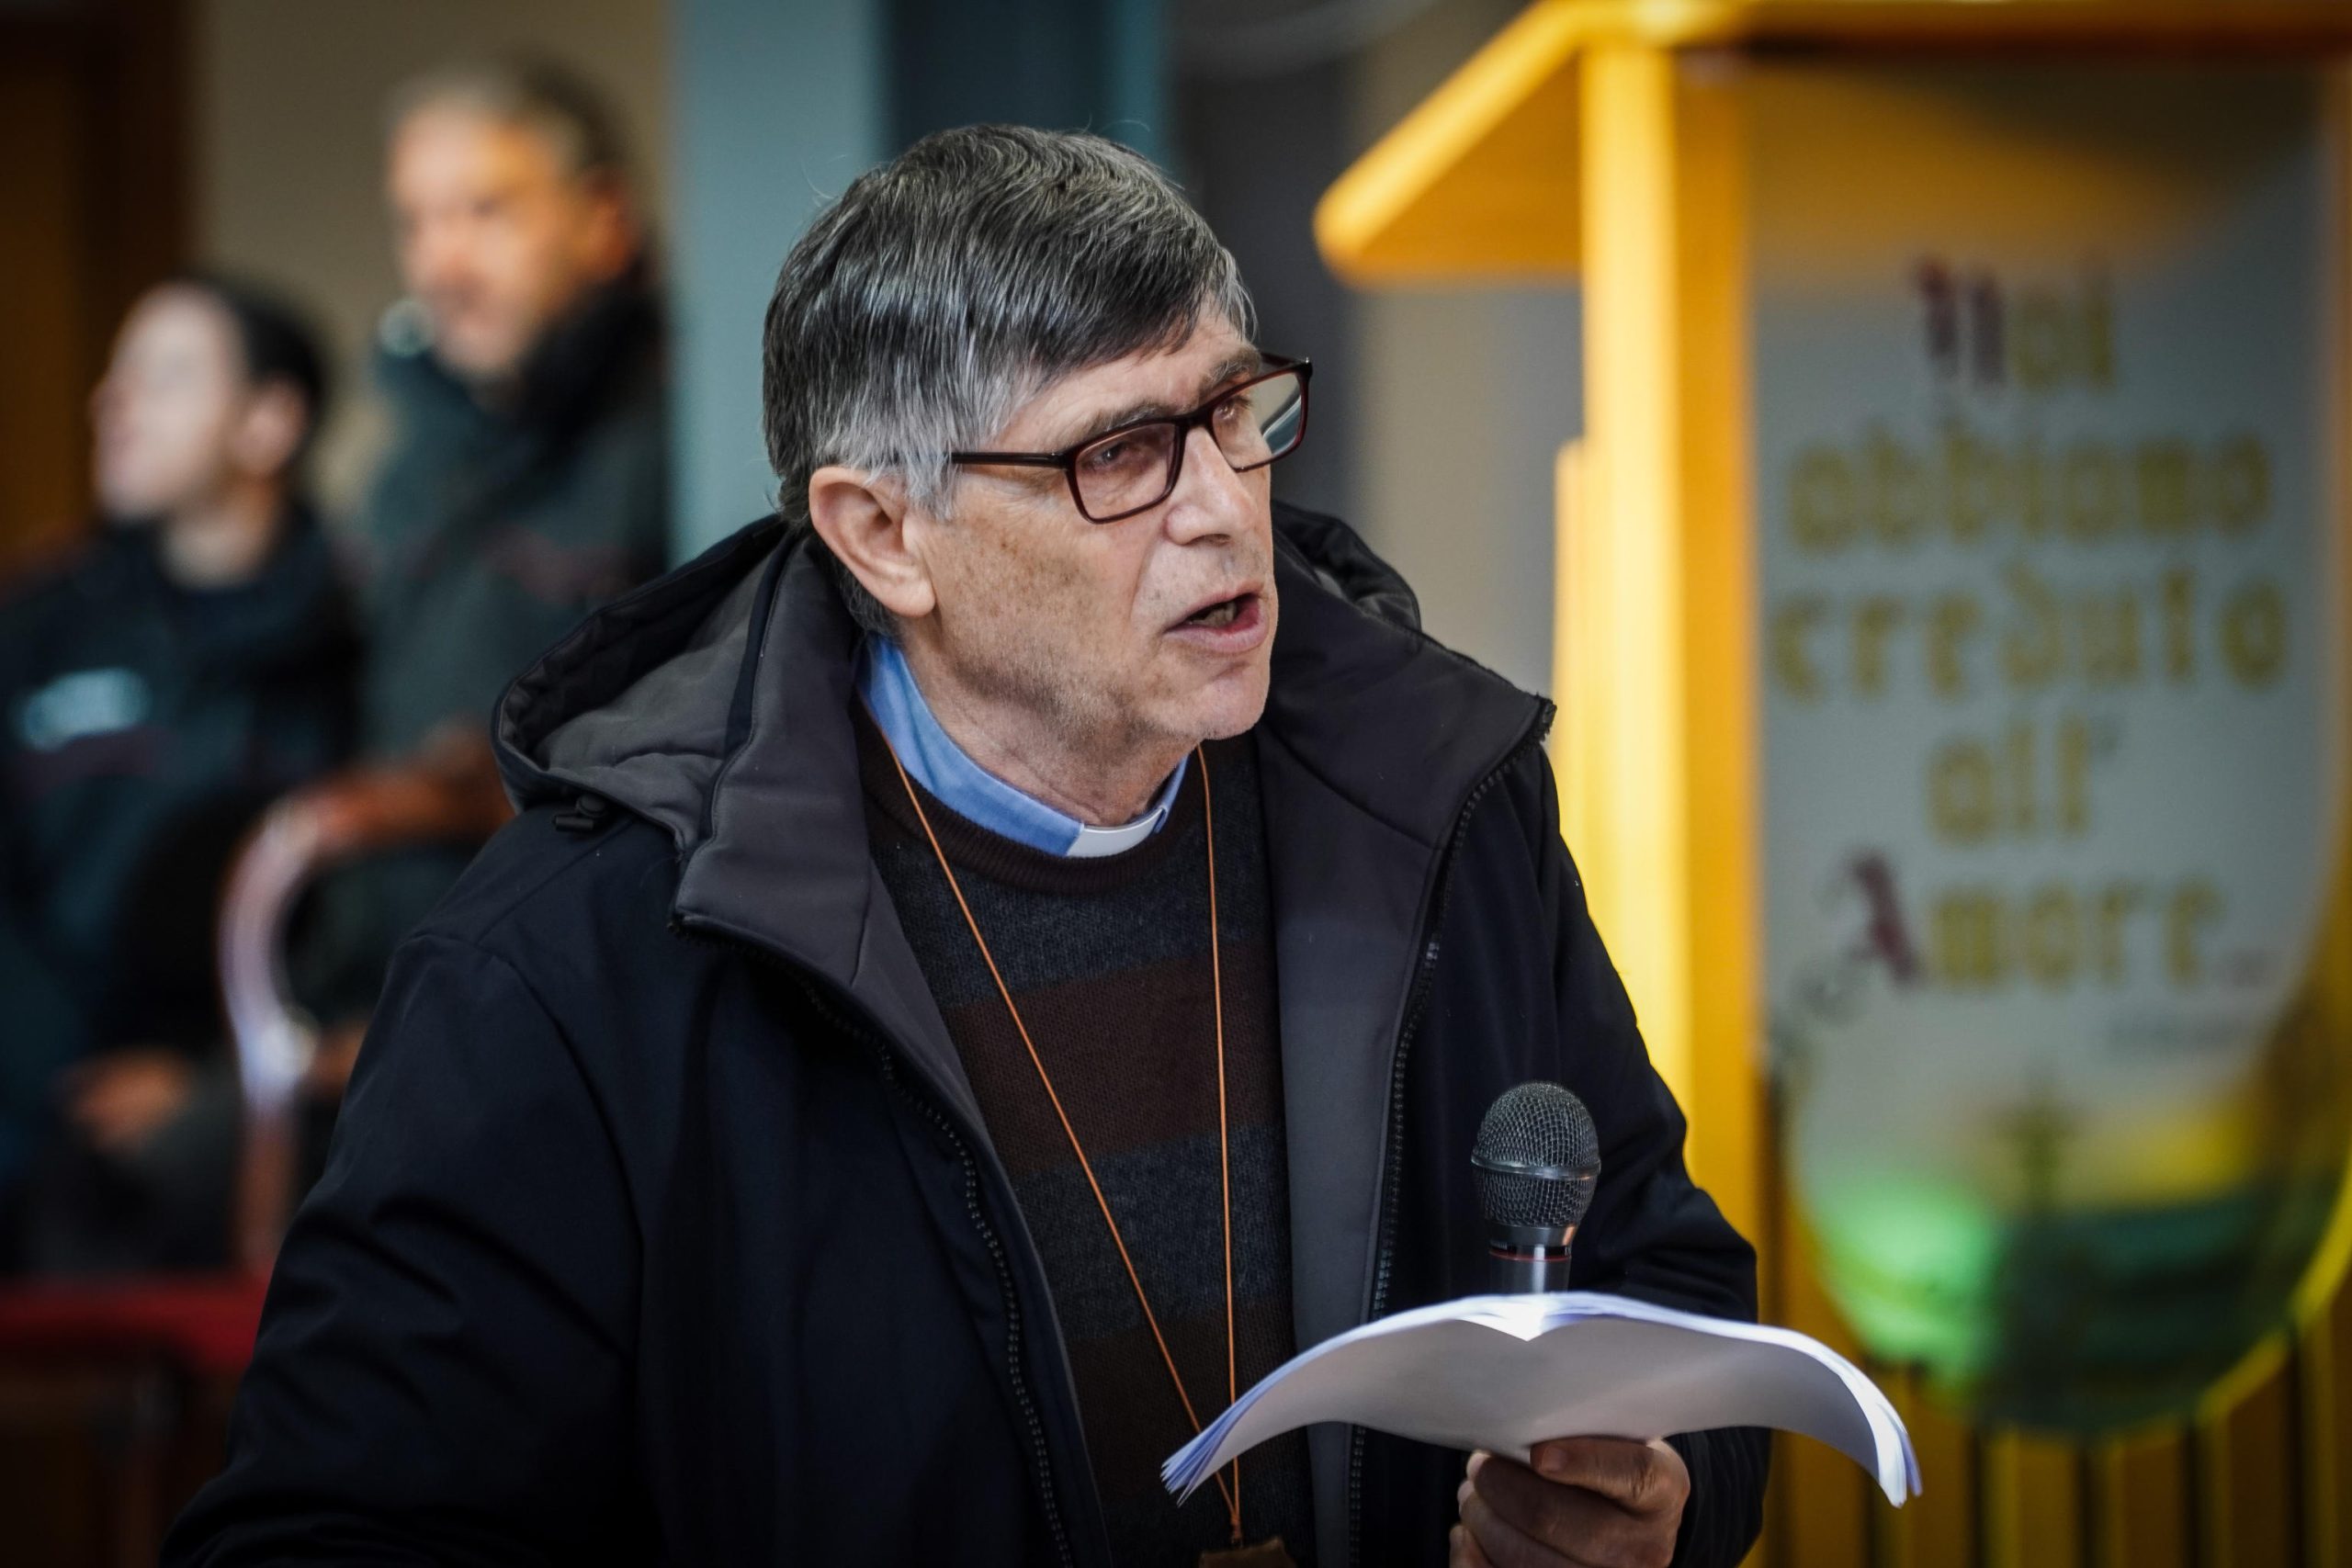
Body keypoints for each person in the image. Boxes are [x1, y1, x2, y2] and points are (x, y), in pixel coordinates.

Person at [166, 129, 1766, 1567]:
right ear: (884, 535)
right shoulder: (571, 965)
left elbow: (1673, 1298)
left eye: (1236, 413)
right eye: (1119, 453)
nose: (1226, 507)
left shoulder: (1439, 804)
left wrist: (1659, 1498)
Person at [302, 55, 671, 1069]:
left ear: (603, 219)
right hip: (382, 995)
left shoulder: (681, 436)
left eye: (484, 211)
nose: (441, 264)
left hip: (579, 1009)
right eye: (416, 223)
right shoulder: (406, 462)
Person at [0, 274, 355, 1273]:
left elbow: (374, 914)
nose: (112, 403)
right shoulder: (45, 621)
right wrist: (60, 1078)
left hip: (249, 1089)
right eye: (117, 377)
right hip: (38, 1083)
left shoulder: (358, 632)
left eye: (162, 376)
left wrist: (208, 1081)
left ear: (268, 423)